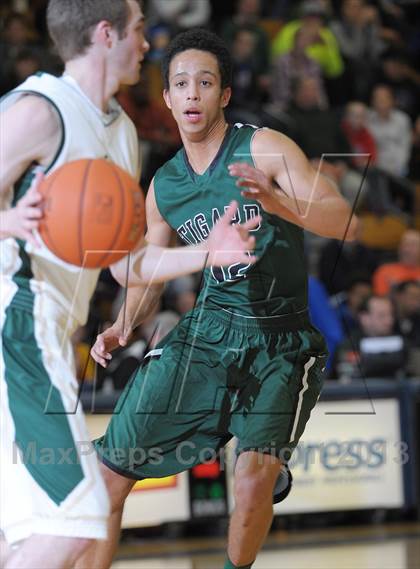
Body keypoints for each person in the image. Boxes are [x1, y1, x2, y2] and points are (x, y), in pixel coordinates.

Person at [76, 29, 358, 569]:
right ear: (167, 99)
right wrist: (122, 325)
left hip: (280, 339)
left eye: (204, 83)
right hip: (206, 334)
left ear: (223, 94)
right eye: (180, 84)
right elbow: (149, 273)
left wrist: (278, 201)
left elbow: (341, 217)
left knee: (252, 482)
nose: (191, 94)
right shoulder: (164, 186)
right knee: (107, 476)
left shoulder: (265, 147)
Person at [0, 3, 259, 567]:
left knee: (27, 532)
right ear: (105, 32)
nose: (146, 44)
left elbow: (128, 265)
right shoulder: (38, 111)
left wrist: (209, 252)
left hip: (45, 330)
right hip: (15, 319)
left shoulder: (121, 133)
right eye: (139, 30)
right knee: (78, 516)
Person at [372, 229, 420, 295]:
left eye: (413, 245)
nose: (407, 249)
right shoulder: (385, 271)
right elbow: (380, 299)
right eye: (404, 245)